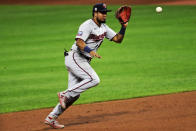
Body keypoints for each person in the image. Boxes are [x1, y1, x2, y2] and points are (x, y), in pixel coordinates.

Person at [44, 3, 128, 129]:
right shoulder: (87, 25)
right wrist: (90, 51)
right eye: (102, 12)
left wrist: (123, 27)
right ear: (95, 13)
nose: (105, 14)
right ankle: (64, 93)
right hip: (75, 57)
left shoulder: (104, 27)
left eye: (106, 12)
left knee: (74, 96)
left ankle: (51, 118)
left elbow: (117, 39)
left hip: (82, 60)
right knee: (94, 79)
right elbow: (79, 42)